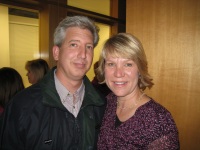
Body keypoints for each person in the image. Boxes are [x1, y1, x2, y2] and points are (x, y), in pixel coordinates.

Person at [0, 15, 105, 150]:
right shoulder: (22, 105)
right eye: (74, 45)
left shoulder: (102, 104)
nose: (83, 54)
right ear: (56, 52)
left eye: (89, 47)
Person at [96, 33, 180, 149]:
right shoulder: (104, 103)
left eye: (128, 64)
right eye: (111, 64)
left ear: (140, 69)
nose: (118, 73)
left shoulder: (159, 119)